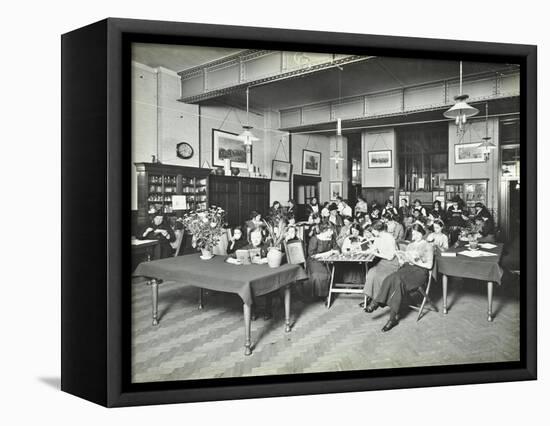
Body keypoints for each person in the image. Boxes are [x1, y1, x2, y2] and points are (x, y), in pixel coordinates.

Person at [365, 224, 434, 332]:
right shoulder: (410, 245)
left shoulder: (428, 246)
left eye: (417, 233)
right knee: (391, 277)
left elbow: (429, 266)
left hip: (420, 272)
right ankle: (389, 315)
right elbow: (406, 260)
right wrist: (402, 259)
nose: (415, 236)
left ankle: (379, 304)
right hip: (407, 268)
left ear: (422, 233)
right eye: (413, 234)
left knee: (398, 281)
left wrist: (416, 261)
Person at [363, 221, 400, 307]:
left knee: (380, 276)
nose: (372, 232)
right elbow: (374, 248)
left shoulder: (389, 238)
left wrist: (376, 254)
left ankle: (376, 301)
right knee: (371, 272)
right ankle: (371, 297)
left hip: (392, 263)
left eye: (373, 230)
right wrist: (361, 250)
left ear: (377, 230)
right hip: (383, 262)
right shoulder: (378, 237)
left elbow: (390, 257)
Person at [306, 221, 339, 299]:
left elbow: (337, 249)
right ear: (324, 230)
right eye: (330, 230)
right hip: (314, 261)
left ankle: (329, 294)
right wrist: (330, 252)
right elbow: (313, 255)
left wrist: (336, 251)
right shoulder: (315, 239)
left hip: (328, 260)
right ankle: (321, 295)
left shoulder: (331, 238)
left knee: (333, 273)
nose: (332, 232)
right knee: (320, 275)